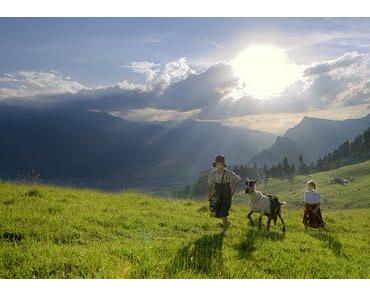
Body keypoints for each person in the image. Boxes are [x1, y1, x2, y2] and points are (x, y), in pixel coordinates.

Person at [208, 155, 241, 228]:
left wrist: (233, 191)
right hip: (217, 194)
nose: (220, 167)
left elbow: (238, 179)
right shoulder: (213, 173)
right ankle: (226, 223)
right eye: (218, 165)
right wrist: (209, 194)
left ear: (224, 165)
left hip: (226, 194)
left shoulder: (228, 173)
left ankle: (225, 227)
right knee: (217, 211)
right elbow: (210, 184)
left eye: (221, 165)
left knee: (224, 211)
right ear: (215, 165)